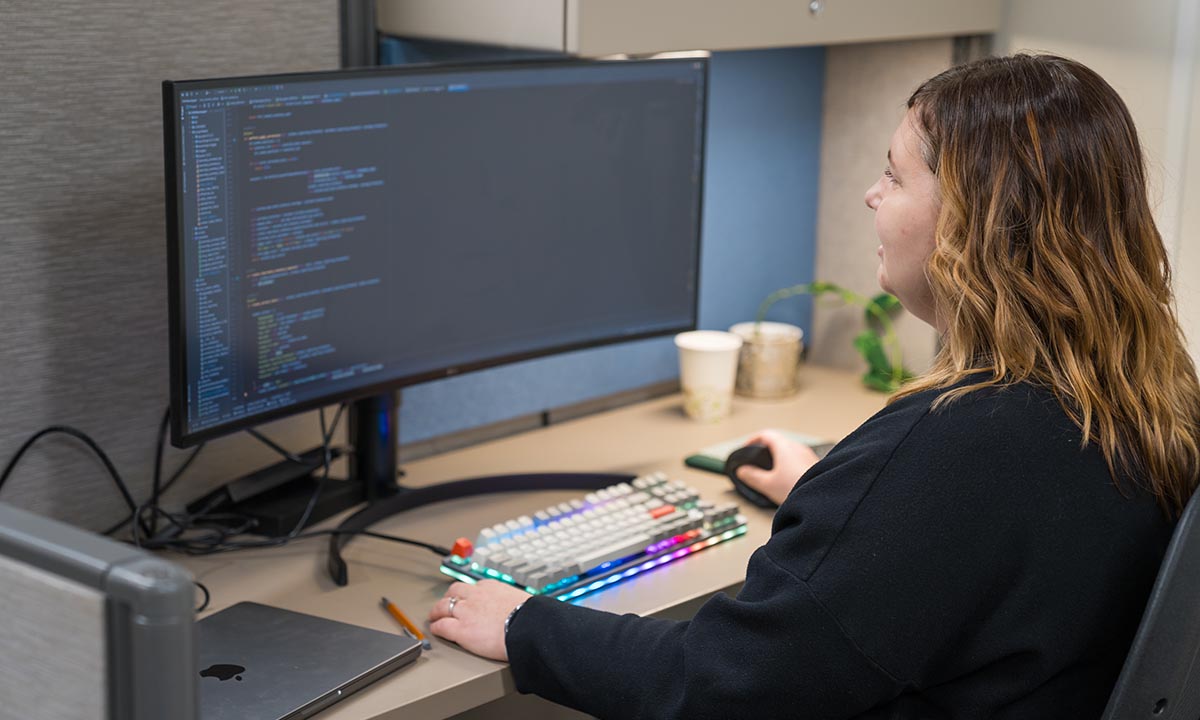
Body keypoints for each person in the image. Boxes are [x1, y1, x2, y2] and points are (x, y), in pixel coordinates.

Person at [428, 54, 1200, 719]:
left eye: (895, 176)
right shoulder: (1146, 392)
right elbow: (975, 543)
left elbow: (724, 688)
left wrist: (527, 624)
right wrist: (852, 505)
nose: (872, 194)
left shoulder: (963, 441)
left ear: (973, 223)